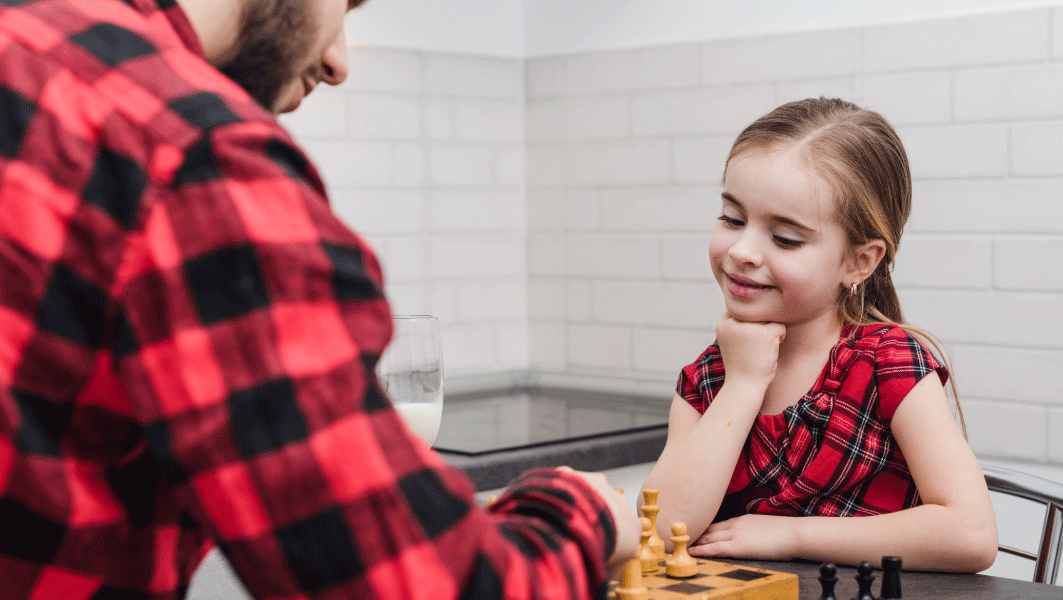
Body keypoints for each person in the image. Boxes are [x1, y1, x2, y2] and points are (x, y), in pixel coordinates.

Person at [0, 0, 638, 598]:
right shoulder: (193, 155)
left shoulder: (25, 46)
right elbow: (413, 583)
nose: (339, 62)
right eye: (346, 5)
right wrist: (579, 512)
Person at [641, 98, 998, 573]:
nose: (743, 251)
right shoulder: (711, 376)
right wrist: (744, 384)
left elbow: (971, 535)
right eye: (732, 218)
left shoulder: (886, 363)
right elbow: (661, 533)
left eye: (785, 239)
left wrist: (789, 534)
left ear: (858, 262)